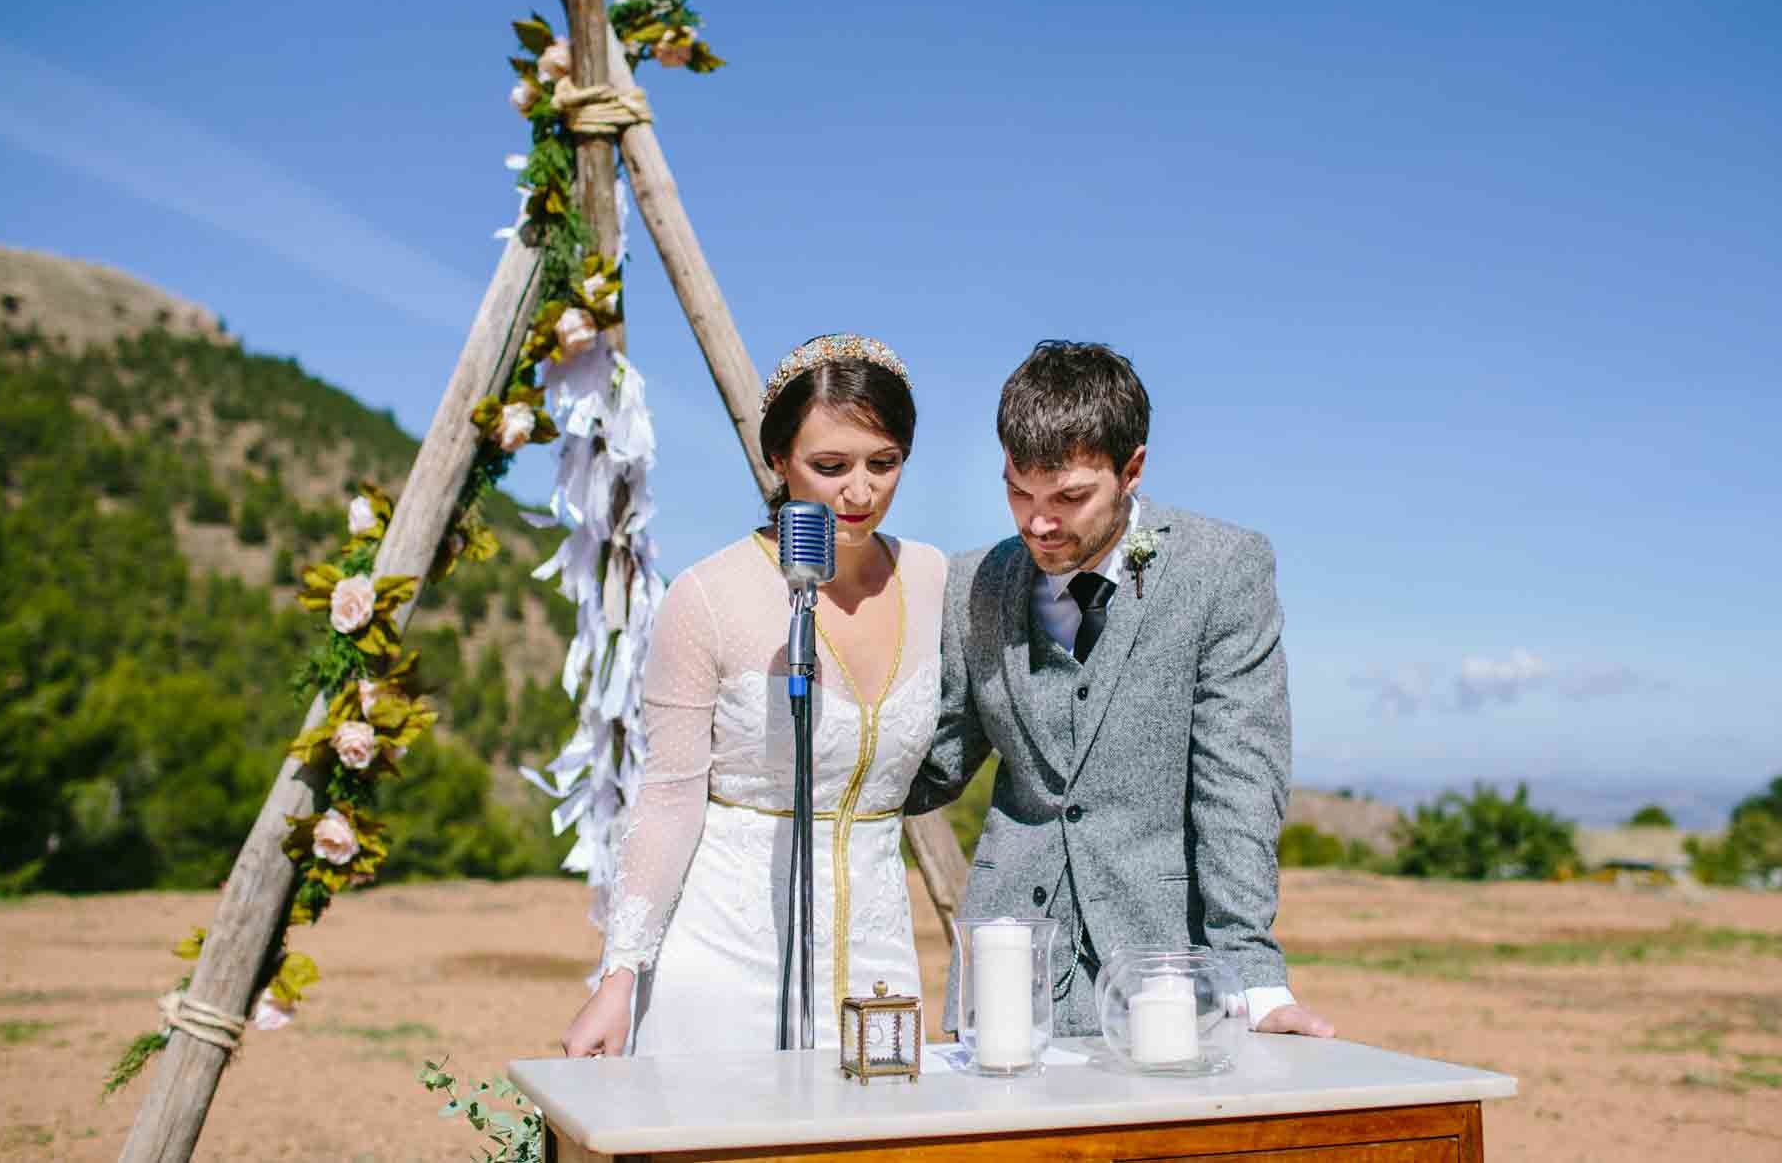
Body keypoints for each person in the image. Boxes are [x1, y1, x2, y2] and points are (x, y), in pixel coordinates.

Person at [906, 340, 1334, 1039]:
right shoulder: (971, 583)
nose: (1037, 523)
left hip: (1165, 980)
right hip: (1007, 983)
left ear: (1131, 469)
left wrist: (1255, 977)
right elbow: (936, 763)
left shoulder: (1223, 570)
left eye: (1069, 496)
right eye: (1018, 489)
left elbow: (1238, 785)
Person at [561, 334, 947, 1056]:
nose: (859, 492)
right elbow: (670, 796)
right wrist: (618, 977)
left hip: (880, 972)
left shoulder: (934, 580)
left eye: (883, 462)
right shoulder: (707, 596)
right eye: (829, 466)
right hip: (721, 965)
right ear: (778, 459)